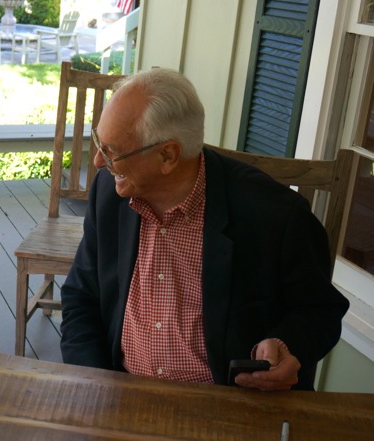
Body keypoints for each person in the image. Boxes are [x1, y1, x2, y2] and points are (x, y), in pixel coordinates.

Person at [59, 68, 349, 391]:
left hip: (228, 406)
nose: (98, 162)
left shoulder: (276, 216)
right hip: (121, 393)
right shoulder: (109, 193)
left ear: (168, 155)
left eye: (112, 152)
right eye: (99, 142)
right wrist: (96, 385)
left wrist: (288, 343)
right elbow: (80, 297)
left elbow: (320, 309)